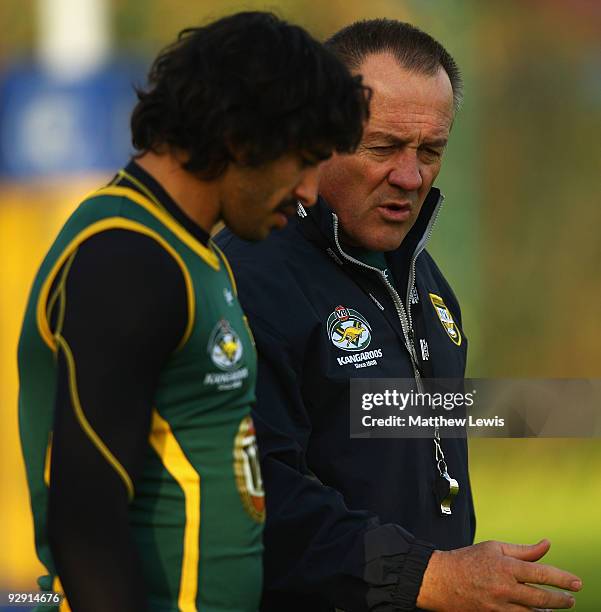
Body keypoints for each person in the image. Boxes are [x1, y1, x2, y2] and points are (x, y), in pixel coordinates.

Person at [216, 19, 583, 611]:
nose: (411, 177)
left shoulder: (418, 275)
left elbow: (383, 414)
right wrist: (428, 575)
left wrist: (566, 409)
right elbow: (255, 498)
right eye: (383, 147)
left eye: (430, 152)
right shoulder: (249, 276)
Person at [17, 11, 368, 611]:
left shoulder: (194, 252)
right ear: (239, 137)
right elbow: (86, 523)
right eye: (303, 159)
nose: (311, 190)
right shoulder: (128, 258)